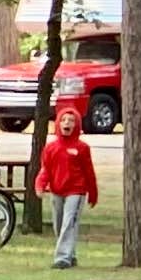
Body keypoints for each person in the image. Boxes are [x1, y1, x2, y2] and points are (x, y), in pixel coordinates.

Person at [37, 93, 98, 267]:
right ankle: (70, 254)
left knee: (69, 222)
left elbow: (89, 172)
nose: (67, 124)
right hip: (57, 190)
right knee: (59, 224)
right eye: (64, 120)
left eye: (71, 121)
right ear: (58, 123)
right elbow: (45, 169)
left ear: (76, 124)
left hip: (76, 191)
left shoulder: (82, 148)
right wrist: (40, 185)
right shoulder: (51, 148)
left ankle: (62, 258)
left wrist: (93, 193)